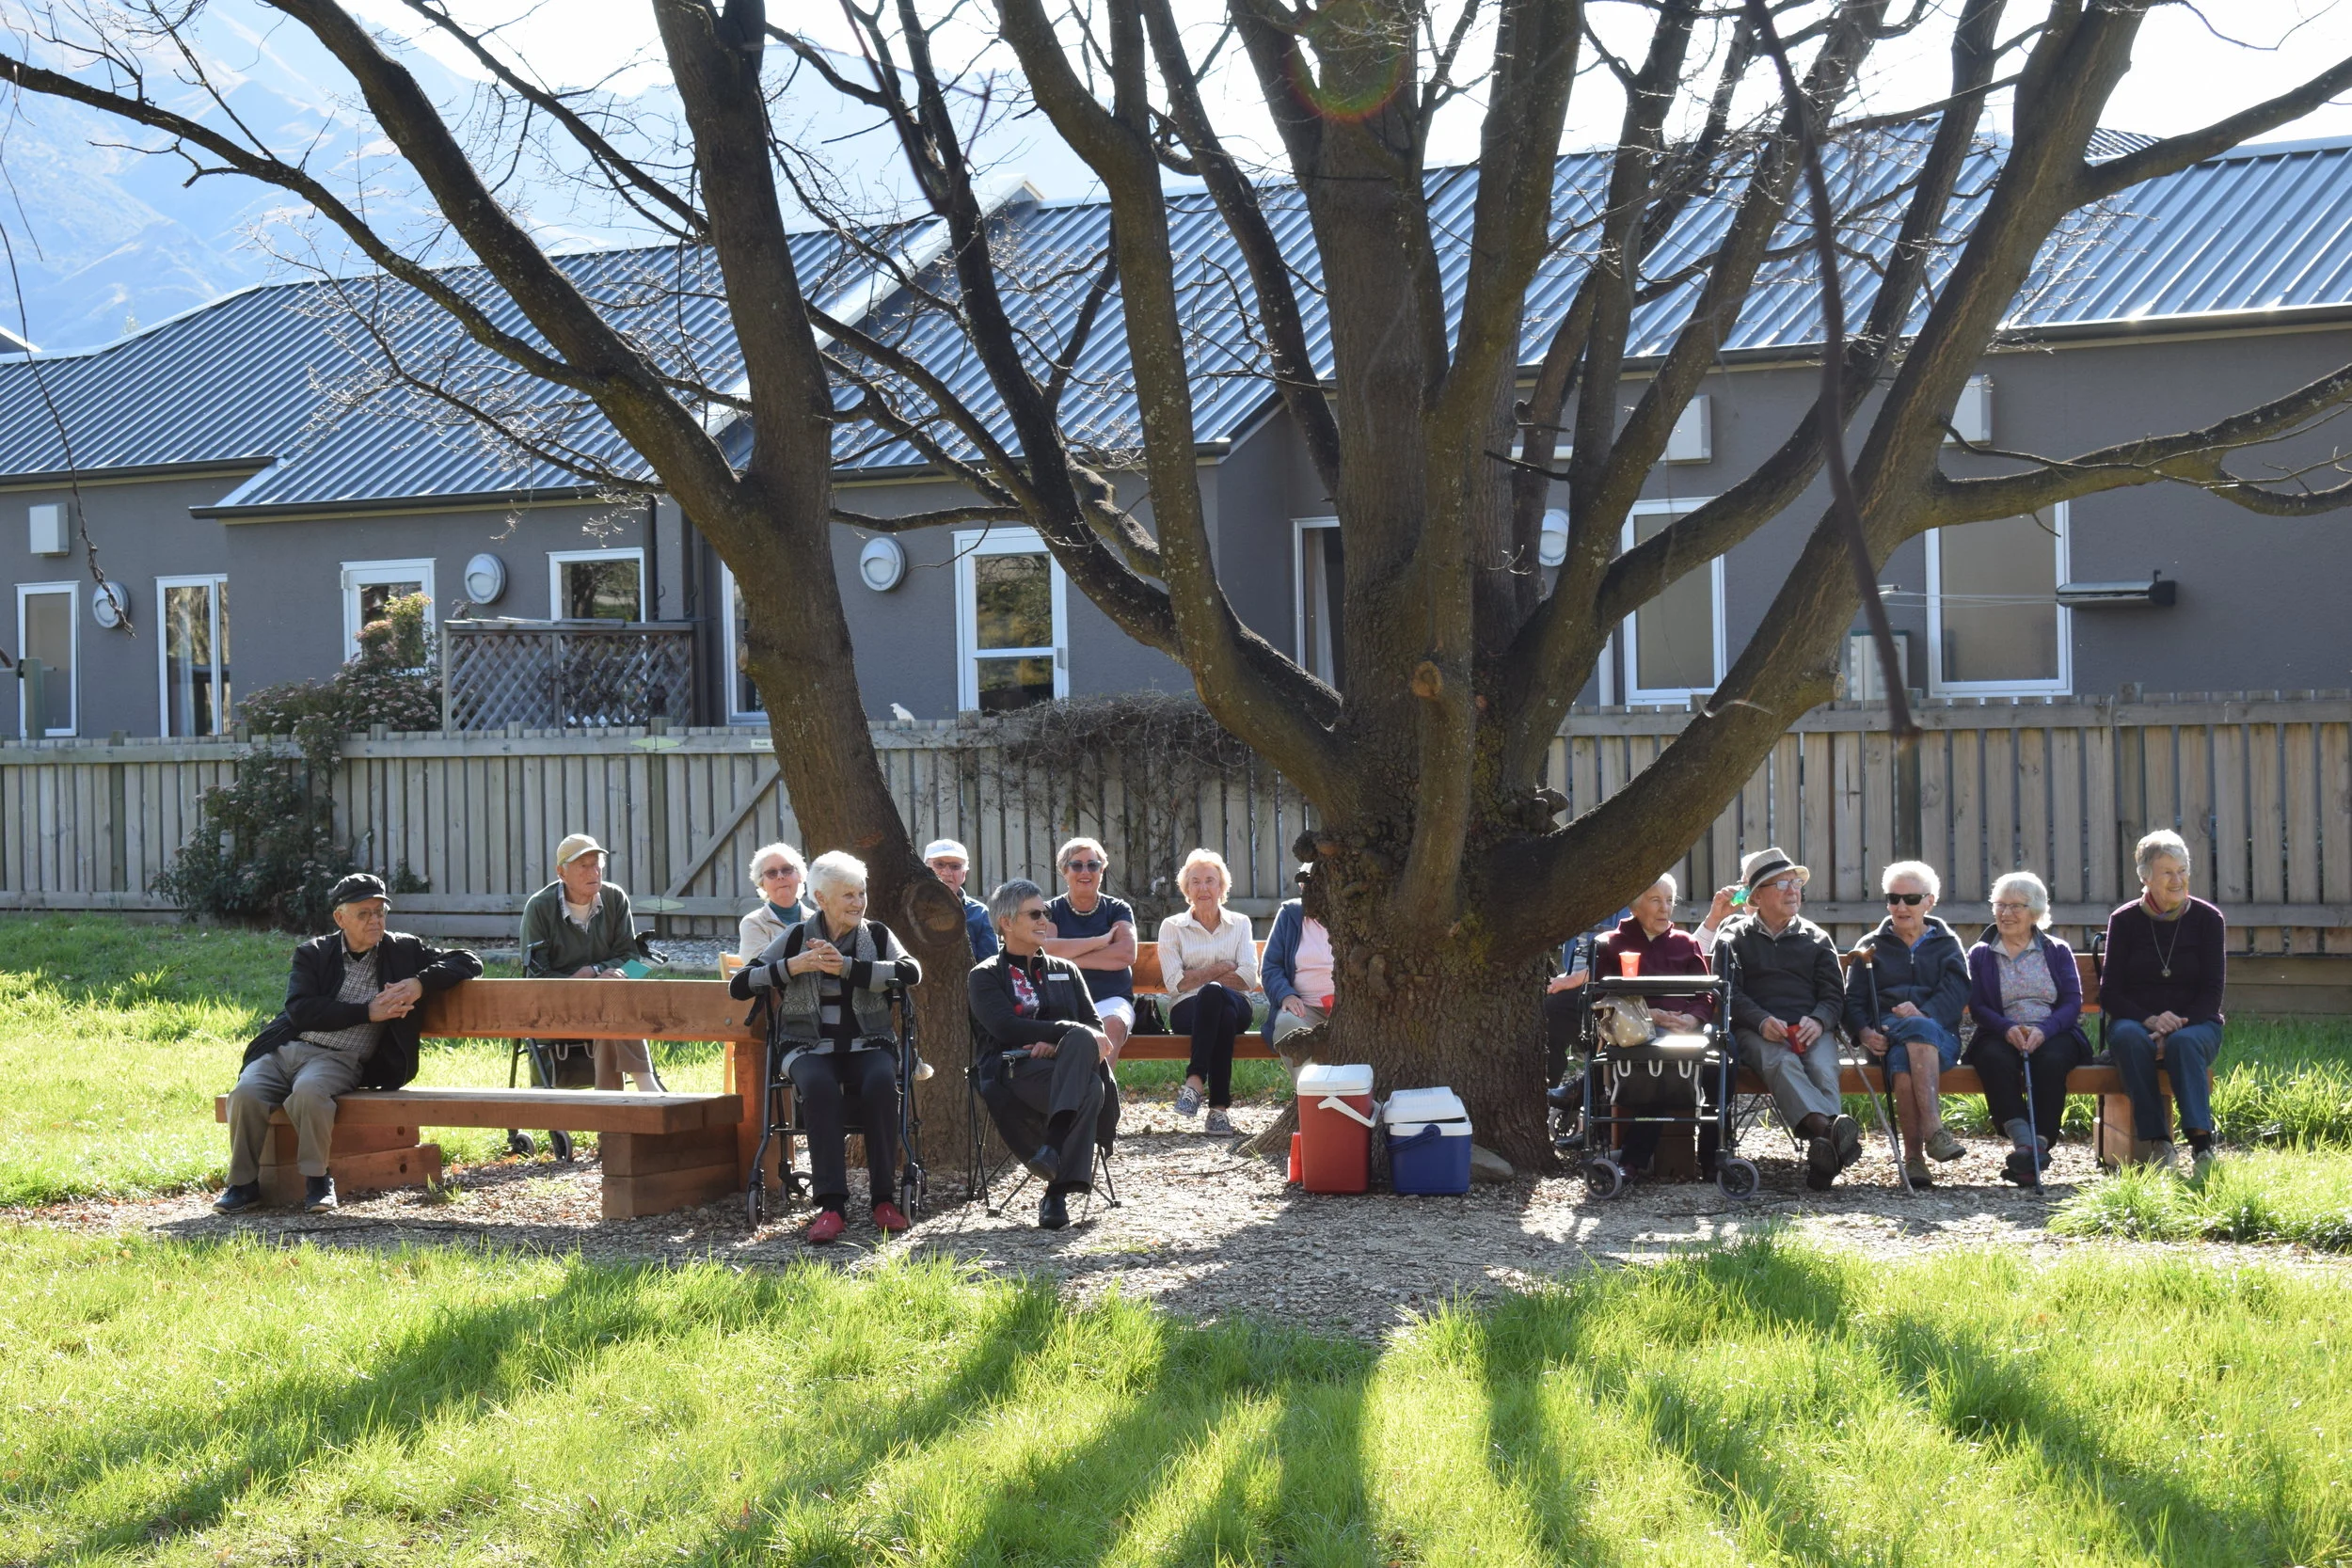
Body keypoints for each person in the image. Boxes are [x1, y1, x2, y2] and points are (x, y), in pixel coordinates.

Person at [215, 874, 482, 1213]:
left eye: (380, 912)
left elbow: (468, 960)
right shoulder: (313, 953)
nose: (375, 920)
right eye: (364, 913)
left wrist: (419, 982)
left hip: (339, 1058)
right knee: (245, 1095)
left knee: (309, 1094)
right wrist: (366, 1012)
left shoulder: (403, 950)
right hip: (284, 1049)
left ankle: (317, 1180)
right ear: (340, 919)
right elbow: (301, 1010)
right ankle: (242, 1185)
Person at [729, 850, 923, 1243]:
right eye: (848, 896)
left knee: (882, 1082)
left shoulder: (878, 935)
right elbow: (740, 984)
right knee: (817, 1086)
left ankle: (883, 1199)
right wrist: (793, 966)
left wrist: (847, 968)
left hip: (870, 1043)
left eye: (861, 894)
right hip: (807, 1045)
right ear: (821, 899)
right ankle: (832, 1206)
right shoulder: (798, 936)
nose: (858, 903)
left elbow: (910, 972)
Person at [968, 879, 1118, 1230]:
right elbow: (1005, 1029)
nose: (1044, 922)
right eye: (1034, 914)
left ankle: (1053, 1165)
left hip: (1065, 1069)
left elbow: (1095, 1026)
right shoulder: (984, 976)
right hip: (1014, 1071)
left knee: (1085, 1055)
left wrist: (1059, 1045)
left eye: (1045, 913)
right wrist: (1066, 1034)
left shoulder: (1067, 970)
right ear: (1006, 922)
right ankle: (1058, 1189)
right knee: (1089, 1086)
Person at [1716, 847, 1861, 1190]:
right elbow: (1727, 993)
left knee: (1825, 1068)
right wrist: (1761, 1019)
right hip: (1756, 1030)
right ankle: (1831, 1133)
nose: (1793, 890)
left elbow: (1833, 995)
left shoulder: (1816, 938)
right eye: (1781, 885)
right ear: (1756, 896)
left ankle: (1824, 1159)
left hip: (1810, 1028)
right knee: (1781, 1062)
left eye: (1795, 883)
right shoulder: (1732, 939)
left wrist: (1819, 1020)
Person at [2102, 828, 2228, 1174]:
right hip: (2138, 1021)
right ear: (2145, 877)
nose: (2178, 880)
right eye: (2167, 872)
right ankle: (2160, 1144)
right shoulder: (2124, 920)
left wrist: (2176, 1023)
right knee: (2128, 1038)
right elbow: (2110, 991)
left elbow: (2213, 990)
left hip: (2196, 1023)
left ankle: (2202, 1147)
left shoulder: (2208, 919)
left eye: (2183, 870)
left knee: (2184, 1044)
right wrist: (2151, 1021)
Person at [1843, 860, 1971, 1188]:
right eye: (1893, 898)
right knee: (1904, 1043)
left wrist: (1924, 1013)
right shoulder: (1871, 945)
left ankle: (1914, 1158)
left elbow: (1958, 991)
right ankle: (1934, 1131)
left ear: (1930, 901)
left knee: (1911, 1045)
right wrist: (1864, 1033)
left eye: (1911, 900)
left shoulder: (1946, 943)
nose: (1901, 907)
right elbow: (1853, 1001)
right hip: (1883, 1038)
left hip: (1940, 1036)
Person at [1966, 870, 2090, 1187]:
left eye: (2016, 906)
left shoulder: (2056, 950)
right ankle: (2027, 1145)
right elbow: (1978, 1006)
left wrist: (2044, 1030)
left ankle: (2036, 1146)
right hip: (1998, 1032)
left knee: (2051, 1060)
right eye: (2000, 905)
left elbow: (2071, 1003)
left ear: (2034, 911)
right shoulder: (1981, 954)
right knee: (1994, 1058)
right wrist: (2007, 1027)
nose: (2006, 914)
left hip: (2054, 1031)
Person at [1589, 876, 1714, 1177]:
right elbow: (1600, 999)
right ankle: (1632, 1160)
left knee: (1725, 1053)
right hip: (1635, 1031)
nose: (1665, 909)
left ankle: (1713, 1157)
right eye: (1656, 900)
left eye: (1670, 901)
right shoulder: (1611, 943)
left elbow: (1706, 995)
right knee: (1657, 1059)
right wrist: (1649, 1014)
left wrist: (1693, 1019)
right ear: (1634, 905)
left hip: (1685, 1028)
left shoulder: (1686, 943)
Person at [1155, 847, 1261, 1135]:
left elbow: (1249, 977)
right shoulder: (1172, 927)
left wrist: (1201, 979)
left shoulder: (1239, 924)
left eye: (1210, 880)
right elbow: (1175, 982)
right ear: (1187, 889)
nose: (1203, 888)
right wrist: (1223, 967)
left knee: (1215, 997)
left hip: (1238, 1003)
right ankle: (1218, 1111)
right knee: (1220, 1014)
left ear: (1222, 887)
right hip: (1186, 1010)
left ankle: (1195, 1081)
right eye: (1196, 881)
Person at [1041, 836, 1137, 1059]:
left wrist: (1071, 959)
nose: (1085, 871)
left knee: (1113, 1024)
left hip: (1111, 1000)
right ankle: (1082, 1092)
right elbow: (1046, 951)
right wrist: (1100, 941)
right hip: (1063, 1002)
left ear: (1101, 870)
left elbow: (1126, 953)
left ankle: (1099, 1093)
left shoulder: (1117, 909)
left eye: (1093, 865)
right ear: (1064, 871)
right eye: (1077, 865)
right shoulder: (1050, 910)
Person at [1261, 863, 1333, 1053]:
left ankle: (1343, 1084)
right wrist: (1286, 994)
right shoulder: (1289, 915)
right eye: (1306, 884)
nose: (1313, 890)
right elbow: (1271, 967)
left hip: (1348, 1009)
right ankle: (1310, 1084)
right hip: (1304, 1008)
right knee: (1288, 1027)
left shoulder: (1352, 916)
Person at [925, 838, 999, 961]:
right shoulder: (908, 910)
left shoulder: (979, 914)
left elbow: (989, 965)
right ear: (925, 868)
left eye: (955, 866)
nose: (947, 872)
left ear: (964, 874)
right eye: (939, 864)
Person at [737, 842, 813, 959]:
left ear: (799, 876)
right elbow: (759, 970)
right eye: (772, 873)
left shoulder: (817, 920)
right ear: (762, 883)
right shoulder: (753, 923)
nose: (780, 876)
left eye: (787, 869)